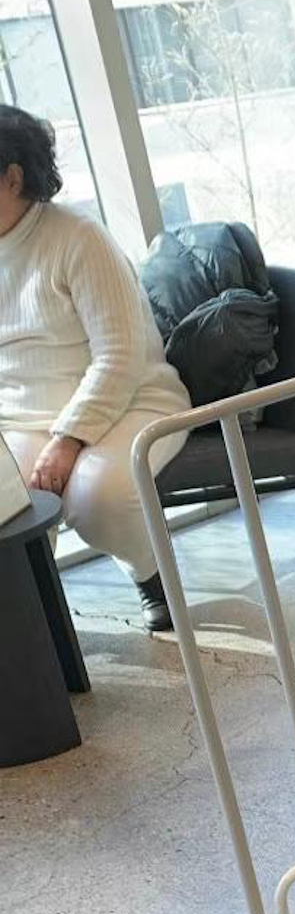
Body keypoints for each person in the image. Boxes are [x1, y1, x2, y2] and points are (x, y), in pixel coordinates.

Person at [0, 107, 190, 632]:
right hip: (25, 420)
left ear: (12, 177)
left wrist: (69, 438)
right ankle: (35, 633)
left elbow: (120, 357)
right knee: (10, 504)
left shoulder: (79, 238)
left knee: (95, 495)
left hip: (133, 400)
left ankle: (153, 577)